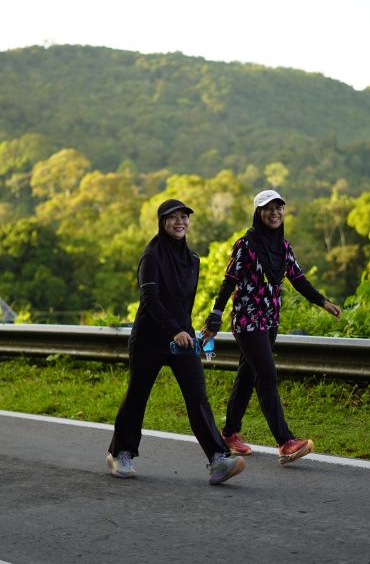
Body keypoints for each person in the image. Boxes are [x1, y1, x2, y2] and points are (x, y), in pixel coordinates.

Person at [107, 199, 245, 485]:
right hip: (149, 339)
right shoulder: (151, 256)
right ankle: (120, 453)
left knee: (197, 397)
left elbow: (184, 303)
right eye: (173, 217)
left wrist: (189, 332)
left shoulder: (193, 259)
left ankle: (218, 460)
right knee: (137, 396)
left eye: (184, 217)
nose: (180, 222)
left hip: (182, 339)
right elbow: (150, 299)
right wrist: (174, 330)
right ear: (162, 222)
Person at [202, 189, 341, 464]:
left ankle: (229, 434)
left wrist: (323, 302)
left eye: (279, 208)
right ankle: (285, 441)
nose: (274, 213)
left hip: (269, 321)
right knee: (266, 374)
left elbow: (298, 279)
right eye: (268, 208)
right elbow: (229, 281)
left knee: (247, 376)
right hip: (247, 321)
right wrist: (215, 317)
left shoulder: (283, 247)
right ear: (258, 212)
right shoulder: (245, 245)